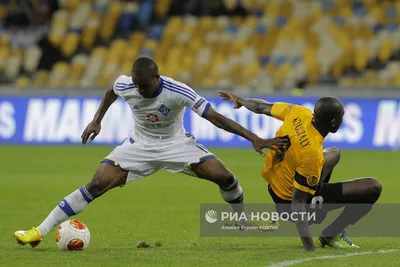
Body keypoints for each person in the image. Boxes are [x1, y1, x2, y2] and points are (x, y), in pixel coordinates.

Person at [13, 57, 288, 247]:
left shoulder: (178, 91)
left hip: (177, 145)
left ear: (157, 78)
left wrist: (254, 137)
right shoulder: (127, 85)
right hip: (139, 146)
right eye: (136, 85)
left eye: (144, 85)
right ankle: (39, 231)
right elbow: (111, 89)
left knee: (224, 176)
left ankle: (240, 220)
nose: (139, 89)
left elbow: (214, 117)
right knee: (97, 183)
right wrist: (97, 119)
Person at [219, 91, 382, 251]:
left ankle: (316, 196)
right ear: (333, 123)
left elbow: (261, 107)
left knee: (334, 154)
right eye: (341, 117)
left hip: (276, 183)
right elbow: (297, 203)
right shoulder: (312, 155)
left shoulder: (300, 112)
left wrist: (239, 100)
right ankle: (331, 234)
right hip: (289, 203)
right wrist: (309, 247)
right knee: (373, 187)